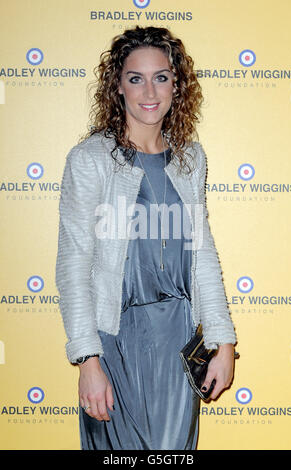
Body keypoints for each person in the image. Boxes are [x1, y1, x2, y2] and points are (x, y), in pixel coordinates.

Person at [55, 25, 237, 451]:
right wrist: (88, 360)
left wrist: (222, 341)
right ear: (118, 86)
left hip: (178, 340)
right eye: (135, 78)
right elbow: (73, 266)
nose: (149, 90)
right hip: (114, 339)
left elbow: (203, 256)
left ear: (177, 84)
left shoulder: (191, 158)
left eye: (161, 76)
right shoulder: (90, 161)